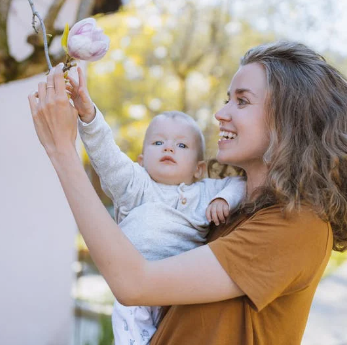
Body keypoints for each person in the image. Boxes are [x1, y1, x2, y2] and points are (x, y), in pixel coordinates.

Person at [28, 41, 347, 345]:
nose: (221, 114)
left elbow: (134, 284)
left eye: (242, 101)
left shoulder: (299, 225)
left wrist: (62, 152)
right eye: (227, 99)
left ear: (289, 121)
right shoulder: (226, 207)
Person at [67, 69, 245, 345]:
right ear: (140, 160)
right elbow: (107, 155)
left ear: (199, 168)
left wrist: (224, 200)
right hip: (133, 291)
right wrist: (89, 116)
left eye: (182, 145)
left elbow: (241, 183)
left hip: (177, 292)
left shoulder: (205, 191)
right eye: (159, 142)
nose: (169, 148)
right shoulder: (135, 185)